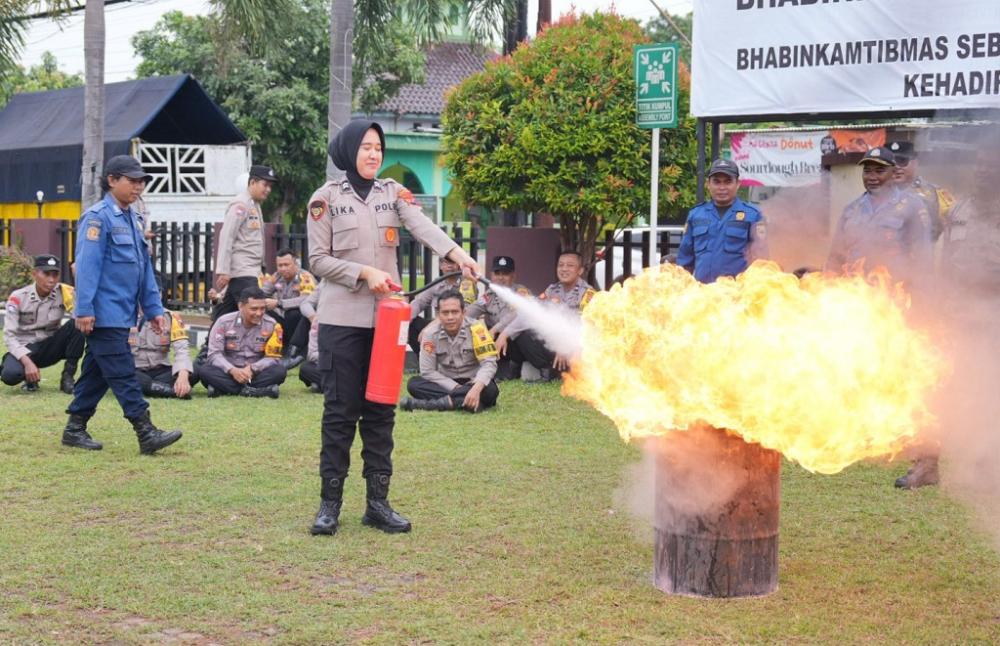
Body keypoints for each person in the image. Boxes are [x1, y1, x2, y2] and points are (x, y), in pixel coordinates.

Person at [306, 119, 479, 536]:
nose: (373, 154)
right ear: (349, 151)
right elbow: (318, 261)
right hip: (341, 322)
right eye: (365, 147)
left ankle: (377, 504)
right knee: (340, 414)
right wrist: (364, 272)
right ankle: (330, 505)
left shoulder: (392, 194)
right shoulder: (325, 199)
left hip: (386, 326)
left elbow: (423, 226)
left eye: (378, 147)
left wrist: (458, 253)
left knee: (381, 412)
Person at [62, 155, 183, 454]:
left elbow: (143, 270)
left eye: (142, 181)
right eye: (132, 180)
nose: (138, 186)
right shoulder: (97, 217)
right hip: (103, 313)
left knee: (96, 371)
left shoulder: (133, 219)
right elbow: (87, 268)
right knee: (123, 372)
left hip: (123, 311)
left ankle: (74, 428)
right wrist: (85, 309)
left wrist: (154, 309)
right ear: (112, 180)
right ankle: (146, 431)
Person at [825, 147, 933, 286]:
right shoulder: (851, 210)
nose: (872, 177)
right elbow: (836, 257)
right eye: (867, 171)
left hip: (894, 293)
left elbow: (923, 257)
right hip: (854, 292)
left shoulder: (912, 206)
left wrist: (920, 293)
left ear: (893, 173)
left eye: (879, 171)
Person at [495, 251, 595, 381]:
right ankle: (544, 370)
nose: (564, 269)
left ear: (580, 270)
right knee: (521, 331)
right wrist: (504, 334)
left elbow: (584, 328)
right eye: (561, 265)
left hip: (576, 349)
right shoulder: (552, 290)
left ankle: (560, 372)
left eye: (570, 265)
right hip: (555, 346)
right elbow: (530, 312)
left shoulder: (588, 294)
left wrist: (564, 345)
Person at [400, 290, 500, 412]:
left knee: (491, 390)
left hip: (472, 380)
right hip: (445, 382)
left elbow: (489, 363)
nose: (450, 317)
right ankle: (465, 401)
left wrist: (476, 387)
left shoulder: (478, 329)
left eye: (455, 312)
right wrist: (456, 388)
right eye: (445, 313)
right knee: (414, 384)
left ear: (463, 312)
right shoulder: (430, 334)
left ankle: (431, 405)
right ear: (438, 314)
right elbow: (427, 371)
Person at [676, 158, 768, 284]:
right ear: (708, 184)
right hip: (702, 296)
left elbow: (762, 261)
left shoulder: (753, 215)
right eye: (717, 182)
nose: (722, 187)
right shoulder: (696, 215)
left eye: (728, 181)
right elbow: (685, 260)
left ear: (738, 184)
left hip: (738, 295)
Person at [2, 254, 84, 393]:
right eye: (46, 274)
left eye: (55, 274)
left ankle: (67, 377)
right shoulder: (19, 297)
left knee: (78, 323)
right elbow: (9, 336)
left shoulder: (64, 292)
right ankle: (28, 377)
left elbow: (80, 314)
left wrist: (78, 279)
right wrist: (27, 363)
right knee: (10, 375)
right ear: (35, 274)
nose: (51, 280)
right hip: (26, 349)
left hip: (50, 346)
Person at [212, 165, 277, 321]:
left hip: (248, 270)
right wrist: (223, 270)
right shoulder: (241, 205)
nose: (268, 189)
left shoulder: (254, 204)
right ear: (252, 182)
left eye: (270, 186)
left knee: (227, 314)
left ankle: (210, 345)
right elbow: (227, 236)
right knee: (254, 313)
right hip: (243, 270)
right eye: (265, 185)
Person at [199, 286, 287, 398]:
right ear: (240, 306)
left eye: (262, 309)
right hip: (228, 372)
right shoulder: (223, 322)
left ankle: (224, 389)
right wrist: (232, 370)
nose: (259, 313)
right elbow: (214, 354)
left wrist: (253, 368)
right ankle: (256, 391)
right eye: (254, 309)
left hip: (255, 373)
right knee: (205, 371)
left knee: (279, 371)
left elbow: (273, 357)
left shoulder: (272, 324)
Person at [466, 255, 532, 380]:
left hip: (516, 345)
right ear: (491, 275)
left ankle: (513, 367)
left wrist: (495, 329)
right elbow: (470, 312)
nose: (501, 278)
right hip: (496, 345)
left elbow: (516, 314)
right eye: (497, 273)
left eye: (505, 274)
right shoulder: (488, 296)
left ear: (513, 276)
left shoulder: (521, 292)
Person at [406, 255, 479, 354]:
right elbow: (419, 302)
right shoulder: (437, 284)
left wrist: (429, 328)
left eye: (452, 262)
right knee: (412, 325)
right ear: (440, 266)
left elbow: (464, 313)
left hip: (459, 329)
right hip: (438, 329)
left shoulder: (467, 283)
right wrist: (405, 321)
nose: (449, 266)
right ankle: (425, 360)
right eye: (445, 263)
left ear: (459, 265)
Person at [888, 140, 955, 241]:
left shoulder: (936, 194)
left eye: (902, 161)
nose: (896, 167)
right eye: (890, 163)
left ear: (915, 163)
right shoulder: (876, 195)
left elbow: (953, 226)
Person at [260, 248, 315, 367]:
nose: (283, 268)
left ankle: (294, 352)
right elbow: (262, 293)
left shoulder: (305, 277)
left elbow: (306, 300)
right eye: (280, 265)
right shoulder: (277, 276)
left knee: (293, 312)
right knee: (262, 313)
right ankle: (266, 349)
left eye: (286, 264)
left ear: (295, 263)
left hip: (303, 325)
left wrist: (279, 303)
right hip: (284, 323)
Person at [130, 309, 197, 399]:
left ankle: (153, 387)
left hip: (161, 370)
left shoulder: (171, 317)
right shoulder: (124, 314)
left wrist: (183, 374)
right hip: (135, 369)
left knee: (196, 371)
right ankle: (172, 391)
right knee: (127, 376)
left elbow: (182, 349)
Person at [298, 319, 322, 393]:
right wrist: (330, 356)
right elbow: (311, 355)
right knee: (305, 368)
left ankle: (323, 385)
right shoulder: (317, 324)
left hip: (344, 368)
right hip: (324, 365)